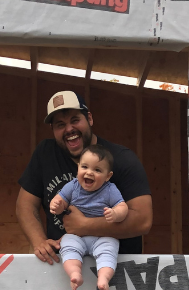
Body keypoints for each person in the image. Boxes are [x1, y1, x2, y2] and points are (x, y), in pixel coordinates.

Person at [16, 90, 152, 268]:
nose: (69, 129)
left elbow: (143, 220)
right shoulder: (45, 154)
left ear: (89, 119)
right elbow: (25, 205)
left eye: (75, 120)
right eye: (60, 124)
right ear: (53, 130)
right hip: (63, 268)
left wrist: (85, 225)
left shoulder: (121, 159)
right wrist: (39, 241)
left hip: (118, 271)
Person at [50, 145, 128, 290]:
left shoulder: (110, 189)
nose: (89, 172)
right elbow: (61, 202)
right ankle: (75, 273)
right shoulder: (72, 186)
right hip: (77, 236)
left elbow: (122, 206)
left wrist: (116, 214)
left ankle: (104, 278)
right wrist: (56, 205)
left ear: (108, 176)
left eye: (97, 170)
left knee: (109, 248)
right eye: (85, 167)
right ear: (78, 167)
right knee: (67, 243)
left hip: (102, 236)